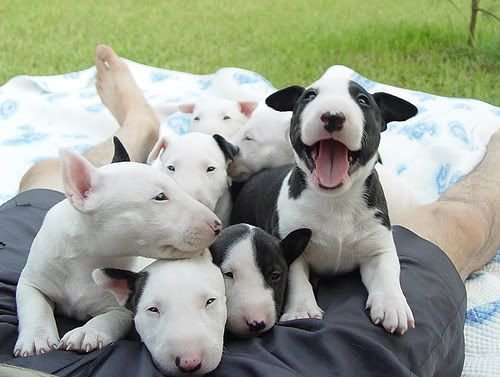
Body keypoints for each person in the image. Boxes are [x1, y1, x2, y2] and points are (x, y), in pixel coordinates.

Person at [0, 45, 498, 377]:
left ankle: (134, 134)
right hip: (305, 351)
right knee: (454, 224)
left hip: (34, 262)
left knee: (47, 180)